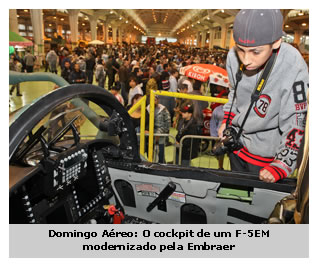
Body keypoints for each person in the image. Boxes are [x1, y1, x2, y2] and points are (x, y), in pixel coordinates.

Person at [218, 9, 308, 183]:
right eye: (241, 50)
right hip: (237, 148)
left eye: (255, 52)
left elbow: (296, 118)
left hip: (267, 161)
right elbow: (234, 94)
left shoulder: (293, 64)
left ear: (276, 42)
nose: (246, 60)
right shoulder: (232, 56)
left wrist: (283, 163)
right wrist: (226, 121)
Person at [146, 95, 171, 163]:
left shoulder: (163, 109)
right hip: (150, 135)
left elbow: (168, 122)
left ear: (158, 100)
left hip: (161, 135)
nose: (153, 102)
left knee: (161, 154)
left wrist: (160, 133)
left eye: (155, 100)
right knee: (150, 154)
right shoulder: (147, 109)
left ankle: (162, 164)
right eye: (152, 100)